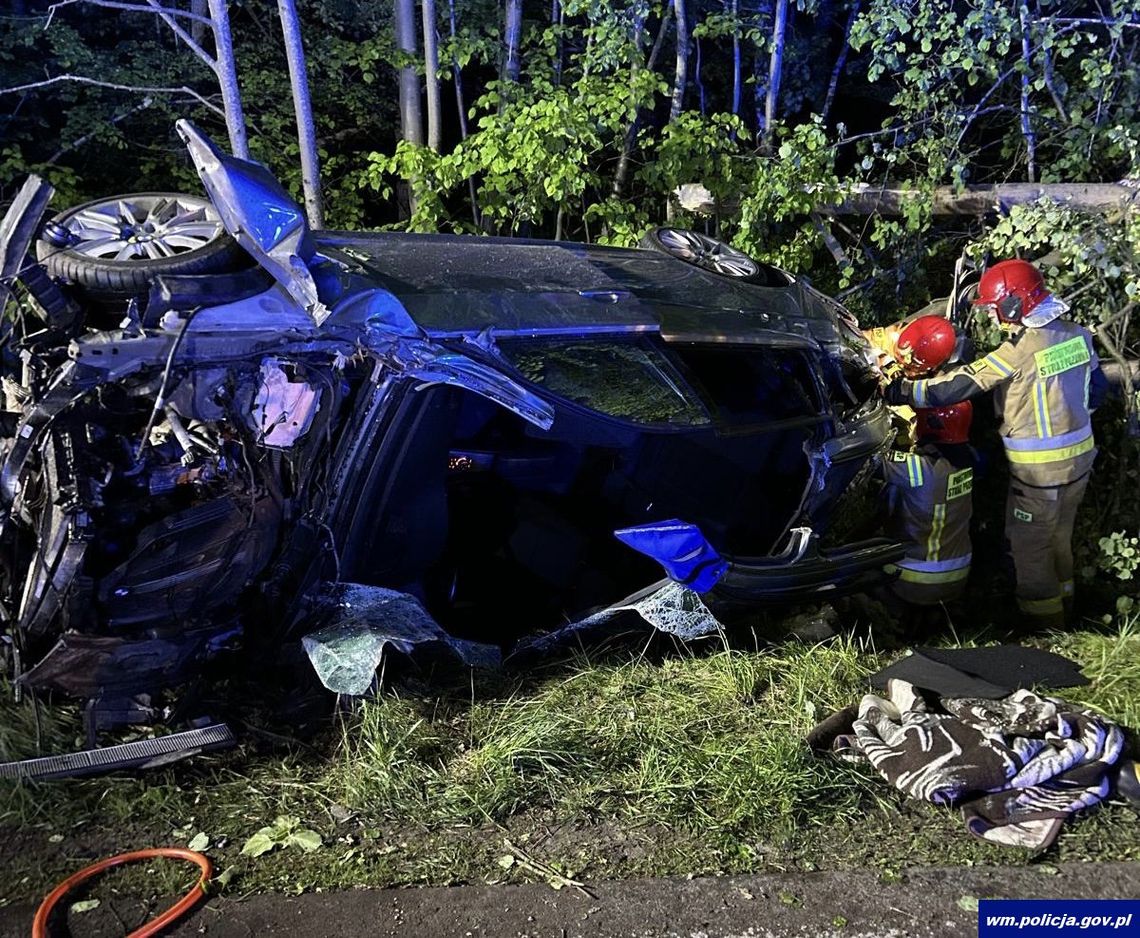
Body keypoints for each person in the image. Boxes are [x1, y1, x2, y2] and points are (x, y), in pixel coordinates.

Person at [884, 258, 1107, 629]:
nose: (994, 317)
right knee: (1060, 539)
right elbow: (1096, 390)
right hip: (1080, 462)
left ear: (1015, 304)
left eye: (995, 309)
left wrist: (903, 390)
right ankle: (1068, 608)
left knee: (1029, 550)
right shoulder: (1078, 334)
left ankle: (1047, 631)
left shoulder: (1019, 350)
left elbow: (959, 386)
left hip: (1038, 474)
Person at [880, 401, 975, 628]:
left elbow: (873, 459)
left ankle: (895, 622)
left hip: (915, 578)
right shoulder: (967, 462)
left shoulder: (920, 470)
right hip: (958, 576)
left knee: (855, 570)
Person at [863, 314, 958, 382]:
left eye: (912, 361)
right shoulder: (888, 336)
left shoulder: (933, 379)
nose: (905, 361)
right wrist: (887, 363)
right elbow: (863, 340)